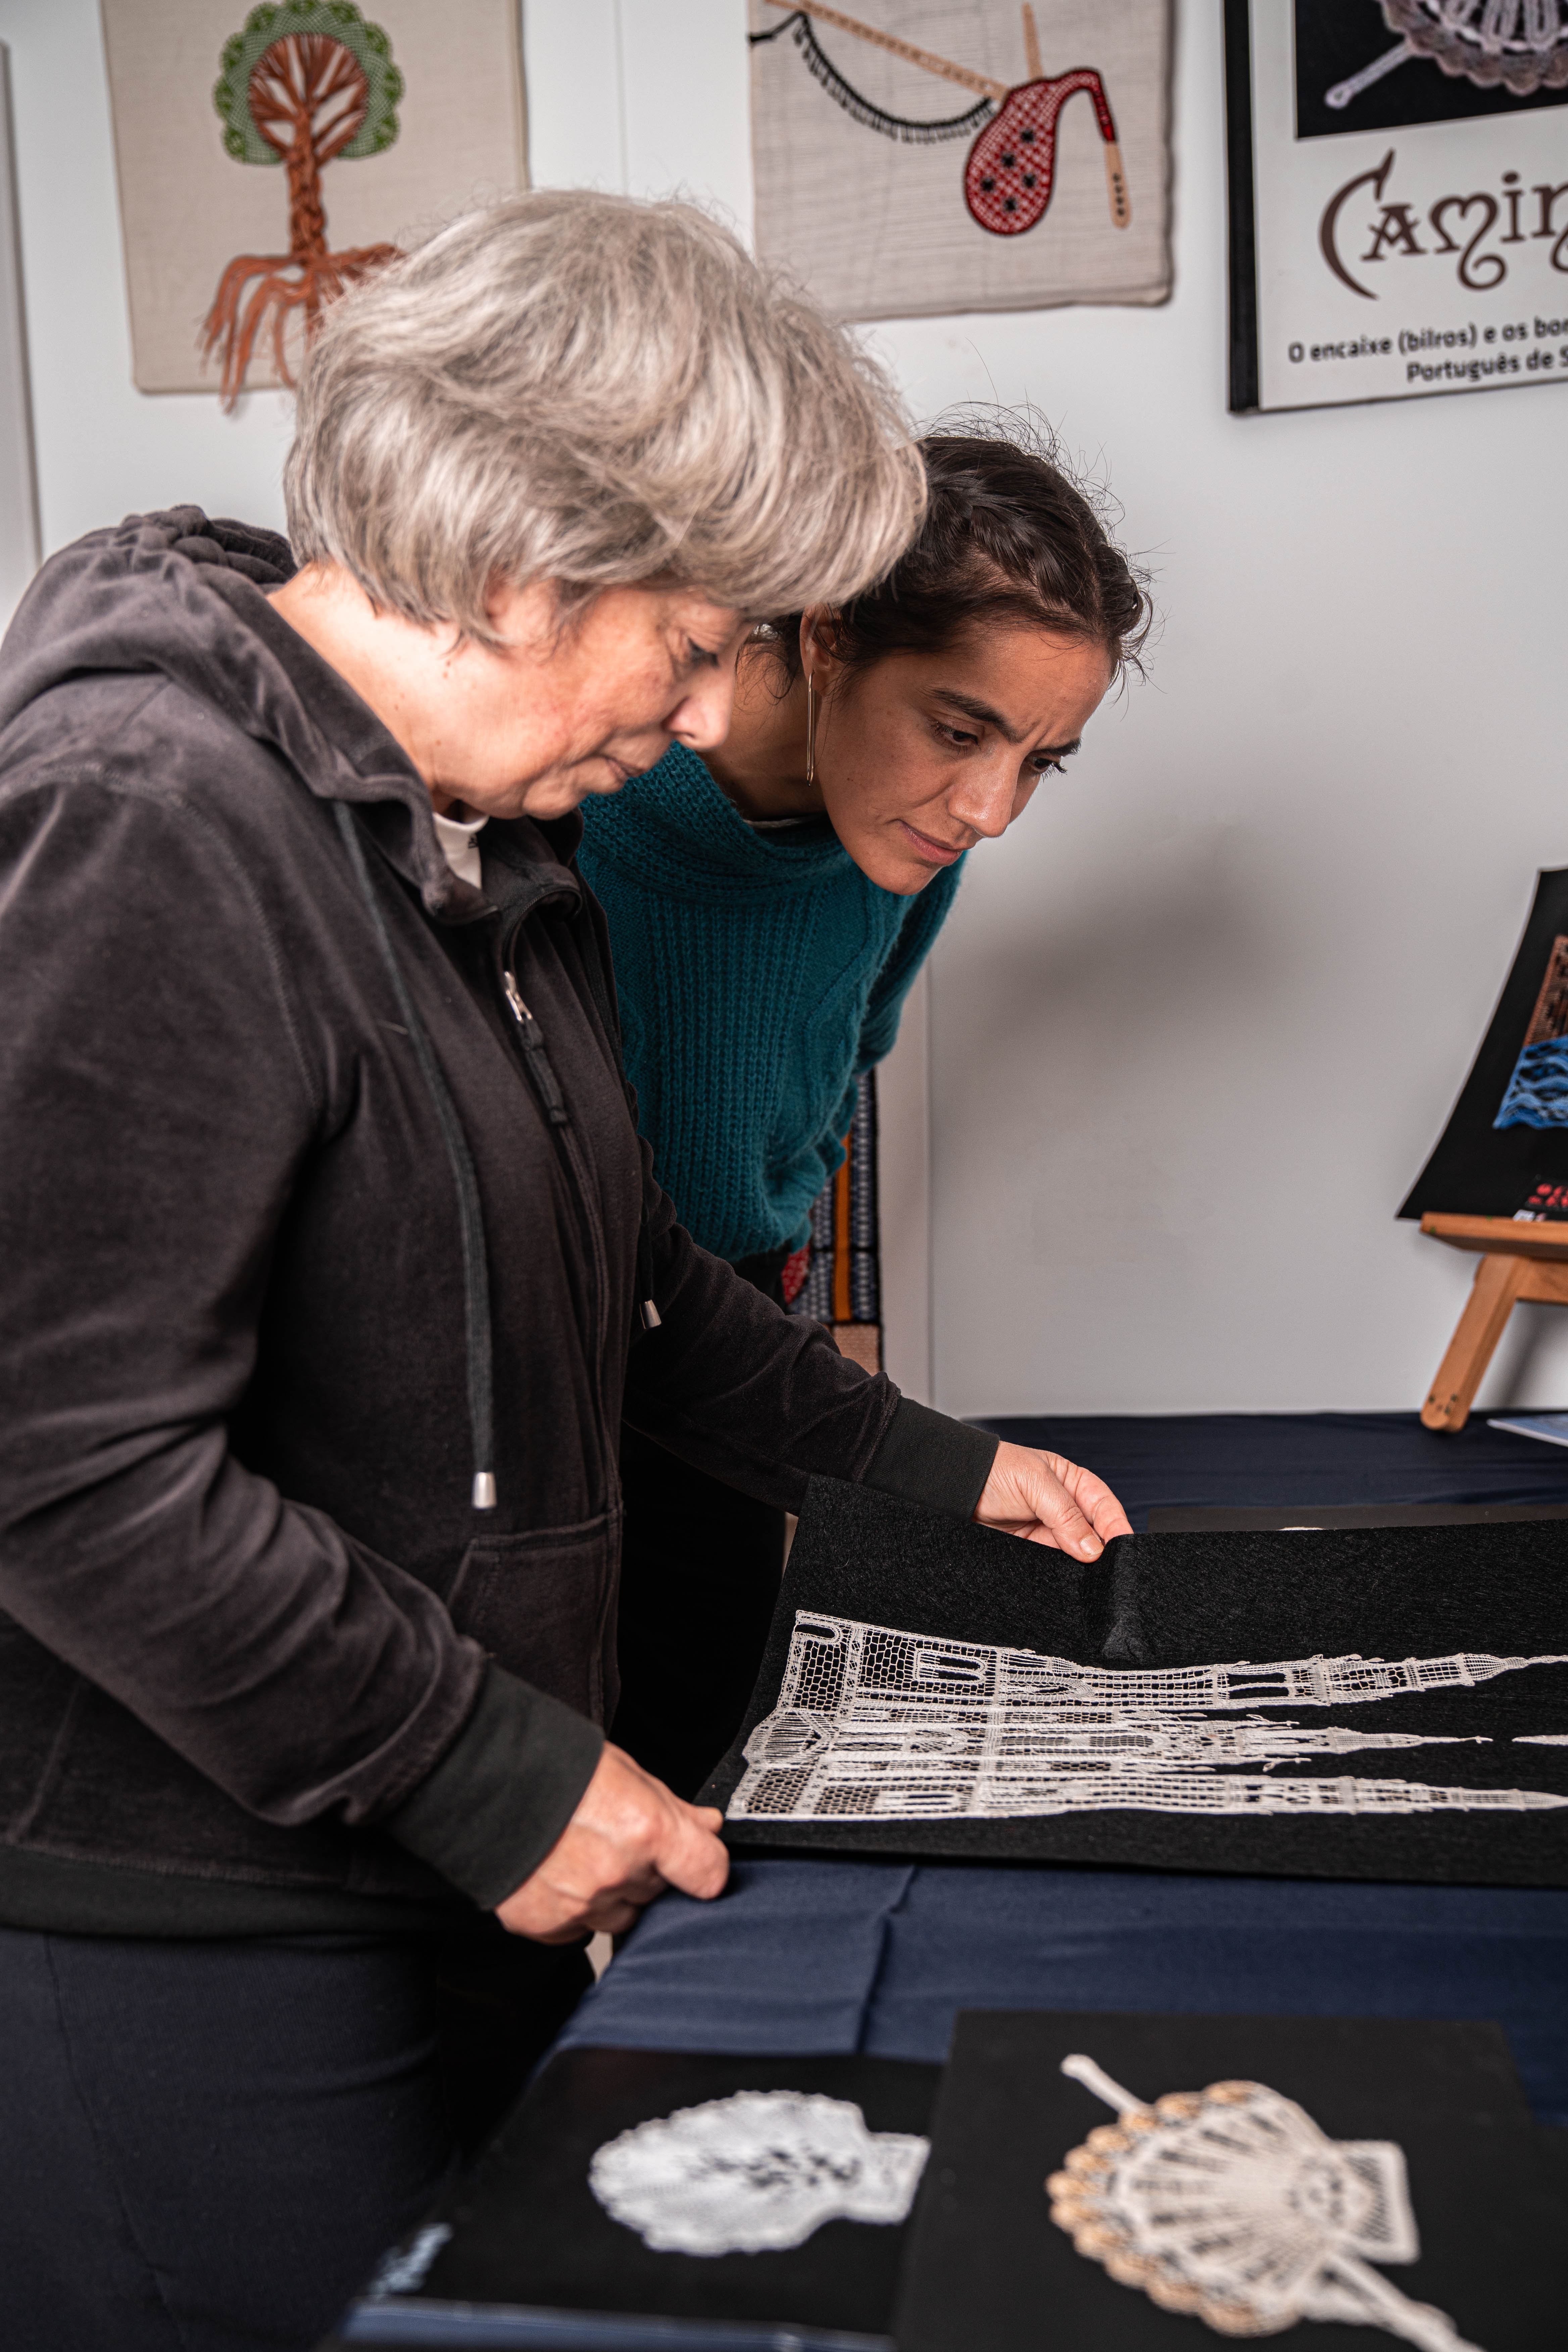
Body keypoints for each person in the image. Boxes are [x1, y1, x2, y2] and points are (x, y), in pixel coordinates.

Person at [0, 194, 1131, 2352]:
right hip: (176, 1898)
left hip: (402, 1839)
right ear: (529, 558)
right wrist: (491, 1770)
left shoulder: (494, 853)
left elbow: (635, 1294)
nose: (714, 724)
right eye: (699, 646)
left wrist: (920, 1460)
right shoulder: (144, 809)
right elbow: (59, 1463)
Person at [581, 430, 1151, 1799]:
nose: (991, 810)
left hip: (738, 1344)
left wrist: (806, 1330)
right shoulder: (585, 793)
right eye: (960, 731)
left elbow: (833, 1091)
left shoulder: (911, 848)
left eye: (1038, 761)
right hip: (559, 1338)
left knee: (703, 1735)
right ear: (827, 636)